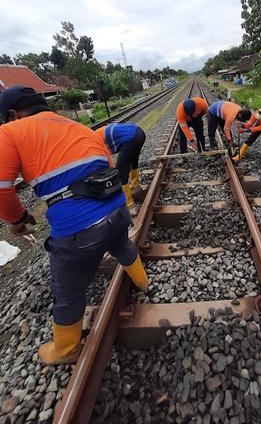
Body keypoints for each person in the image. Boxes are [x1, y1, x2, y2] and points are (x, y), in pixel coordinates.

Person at [0, 86, 149, 365]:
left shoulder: (9, 132)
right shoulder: (77, 126)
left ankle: (66, 349)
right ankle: (143, 282)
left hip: (79, 230)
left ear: (12, 114)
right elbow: (105, 166)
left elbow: (1, 188)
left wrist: (18, 219)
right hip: (118, 211)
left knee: (66, 287)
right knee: (121, 243)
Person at [95, 123, 145, 208]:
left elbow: (107, 161)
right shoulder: (97, 133)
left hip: (130, 138)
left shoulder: (95, 142)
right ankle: (135, 185)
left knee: (120, 173)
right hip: (139, 132)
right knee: (133, 160)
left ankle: (128, 204)